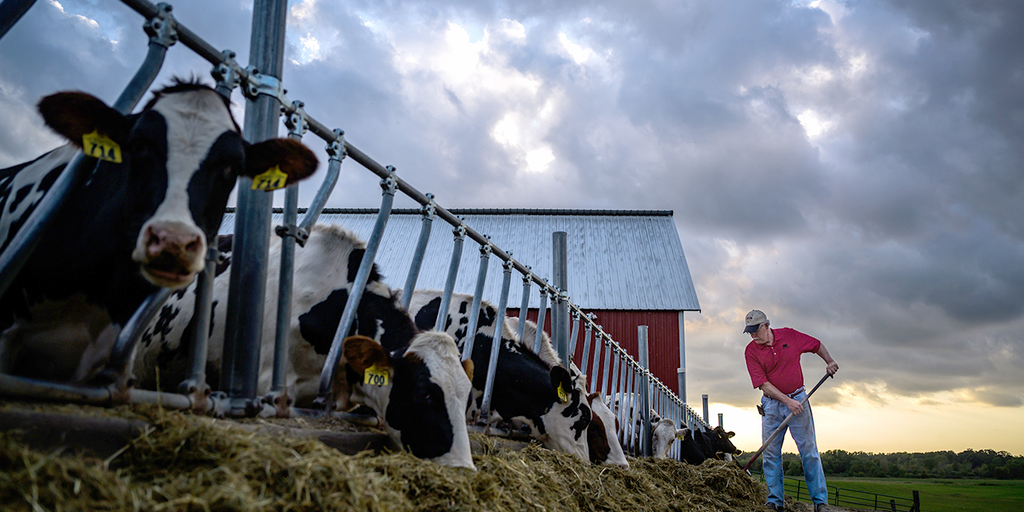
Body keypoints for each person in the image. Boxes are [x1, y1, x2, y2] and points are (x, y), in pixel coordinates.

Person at [743, 309, 839, 512]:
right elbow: (763, 384)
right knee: (770, 454)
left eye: (755, 330)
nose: (752, 335)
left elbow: (816, 345)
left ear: (766, 325)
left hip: (799, 400)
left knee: (809, 452)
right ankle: (775, 502)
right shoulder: (751, 351)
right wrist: (787, 402)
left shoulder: (789, 336)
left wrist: (829, 361)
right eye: (749, 331)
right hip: (772, 404)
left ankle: (820, 502)